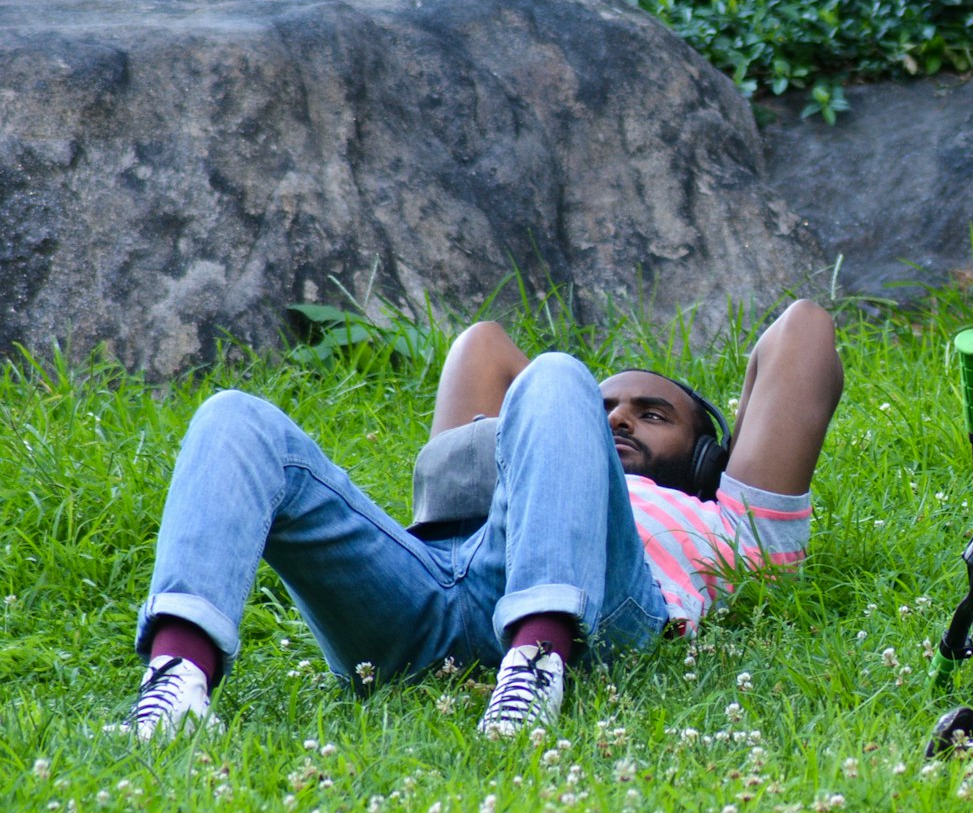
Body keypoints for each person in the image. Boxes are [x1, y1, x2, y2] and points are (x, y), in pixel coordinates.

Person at [119, 299, 842, 739]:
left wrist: (738, 439)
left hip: (609, 605)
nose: (617, 416)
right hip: (428, 587)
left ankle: (537, 662)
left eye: (652, 415)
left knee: (555, 372)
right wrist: (546, 426)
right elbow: (484, 344)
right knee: (234, 417)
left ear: (707, 457)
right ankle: (175, 684)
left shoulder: (728, 526)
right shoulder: (529, 440)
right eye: (603, 410)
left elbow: (802, 334)